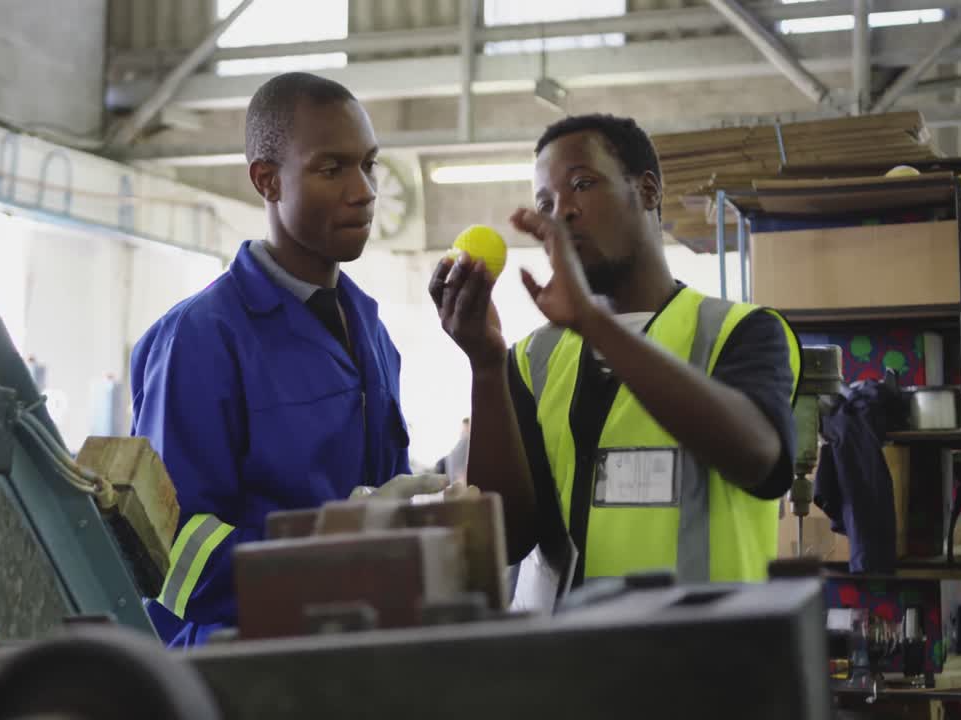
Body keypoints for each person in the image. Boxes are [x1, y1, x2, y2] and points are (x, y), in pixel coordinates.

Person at [131, 72, 446, 648]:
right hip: (241, 666)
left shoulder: (371, 332)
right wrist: (334, 549)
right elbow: (172, 557)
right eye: (332, 169)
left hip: (357, 651)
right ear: (268, 180)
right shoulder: (202, 339)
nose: (364, 191)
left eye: (368, 165)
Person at [430, 113, 801, 590]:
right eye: (545, 203)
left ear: (647, 191)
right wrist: (485, 364)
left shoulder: (740, 332)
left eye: (582, 184)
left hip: (703, 638)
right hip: (576, 640)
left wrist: (594, 323)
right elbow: (506, 538)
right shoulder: (531, 360)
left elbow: (760, 460)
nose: (562, 212)